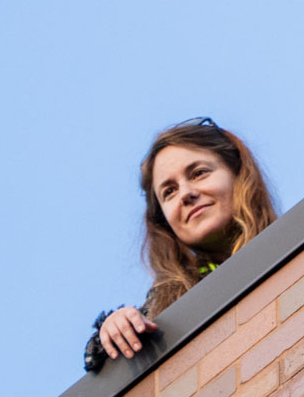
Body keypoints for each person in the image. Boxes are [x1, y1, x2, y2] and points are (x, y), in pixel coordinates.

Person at [84, 117, 280, 372]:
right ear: (163, 221)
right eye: (169, 192)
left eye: (199, 173)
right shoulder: (163, 310)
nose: (186, 193)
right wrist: (115, 329)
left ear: (238, 173)